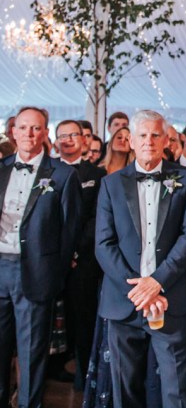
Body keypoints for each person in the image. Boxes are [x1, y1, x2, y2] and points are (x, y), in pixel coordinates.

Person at [95, 109, 186, 408]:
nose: (149, 141)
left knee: (177, 390)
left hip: (170, 299)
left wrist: (157, 282)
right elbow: (104, 244)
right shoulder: (111, 184)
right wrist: (140, 290)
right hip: (123, 301)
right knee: (125, 391)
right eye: (142, 135)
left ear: (166, 140)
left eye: (156, 134)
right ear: (130, 140)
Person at [0, 106, 81, 408]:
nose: (28, 134)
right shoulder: (1, 167)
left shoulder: (63, 175)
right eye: (23, 128)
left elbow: (69, 230)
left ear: (45, 133)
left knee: (32, 353)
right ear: (14, 131)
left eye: (35, 128)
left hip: (36, 273)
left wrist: (53, 275)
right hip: (0, 267)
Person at [54, 119, 106, 389]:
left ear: (84, 140)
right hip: (50, 260)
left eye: (73, 135)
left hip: (83, 261)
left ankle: (85, 375)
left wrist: (74, 251)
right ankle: (52, 368)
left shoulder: (97, 175)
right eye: (62, 136)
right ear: (55, 141)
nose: (68, 140)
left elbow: (96, 219)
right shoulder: (47, 171)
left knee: (83, 319)